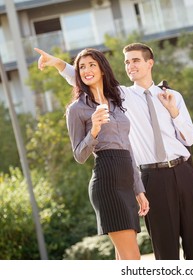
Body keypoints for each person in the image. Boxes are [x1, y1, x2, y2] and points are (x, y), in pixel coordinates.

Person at [35, 43, 193, 260]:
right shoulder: (121, 96)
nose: (130, 66)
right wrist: (58, 63)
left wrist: (174, 112)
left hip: (183, 170)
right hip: (151, 176)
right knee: (165, 250)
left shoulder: (172, 96)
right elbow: (87, 78)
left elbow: (190, 137)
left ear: (149, 63)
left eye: (135, 60)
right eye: (126, 62)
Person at [52, 48, 149, 260]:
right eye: (81, 67)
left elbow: (127, 148)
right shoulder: (77, 109)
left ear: (102, 69)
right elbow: (79, 155)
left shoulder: (116, 101)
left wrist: (138, 188)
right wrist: (94, 130)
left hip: (125, 178)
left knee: (124, 259)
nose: (87, 70)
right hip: (107, 181)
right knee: (133, 258)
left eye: (91, 65)